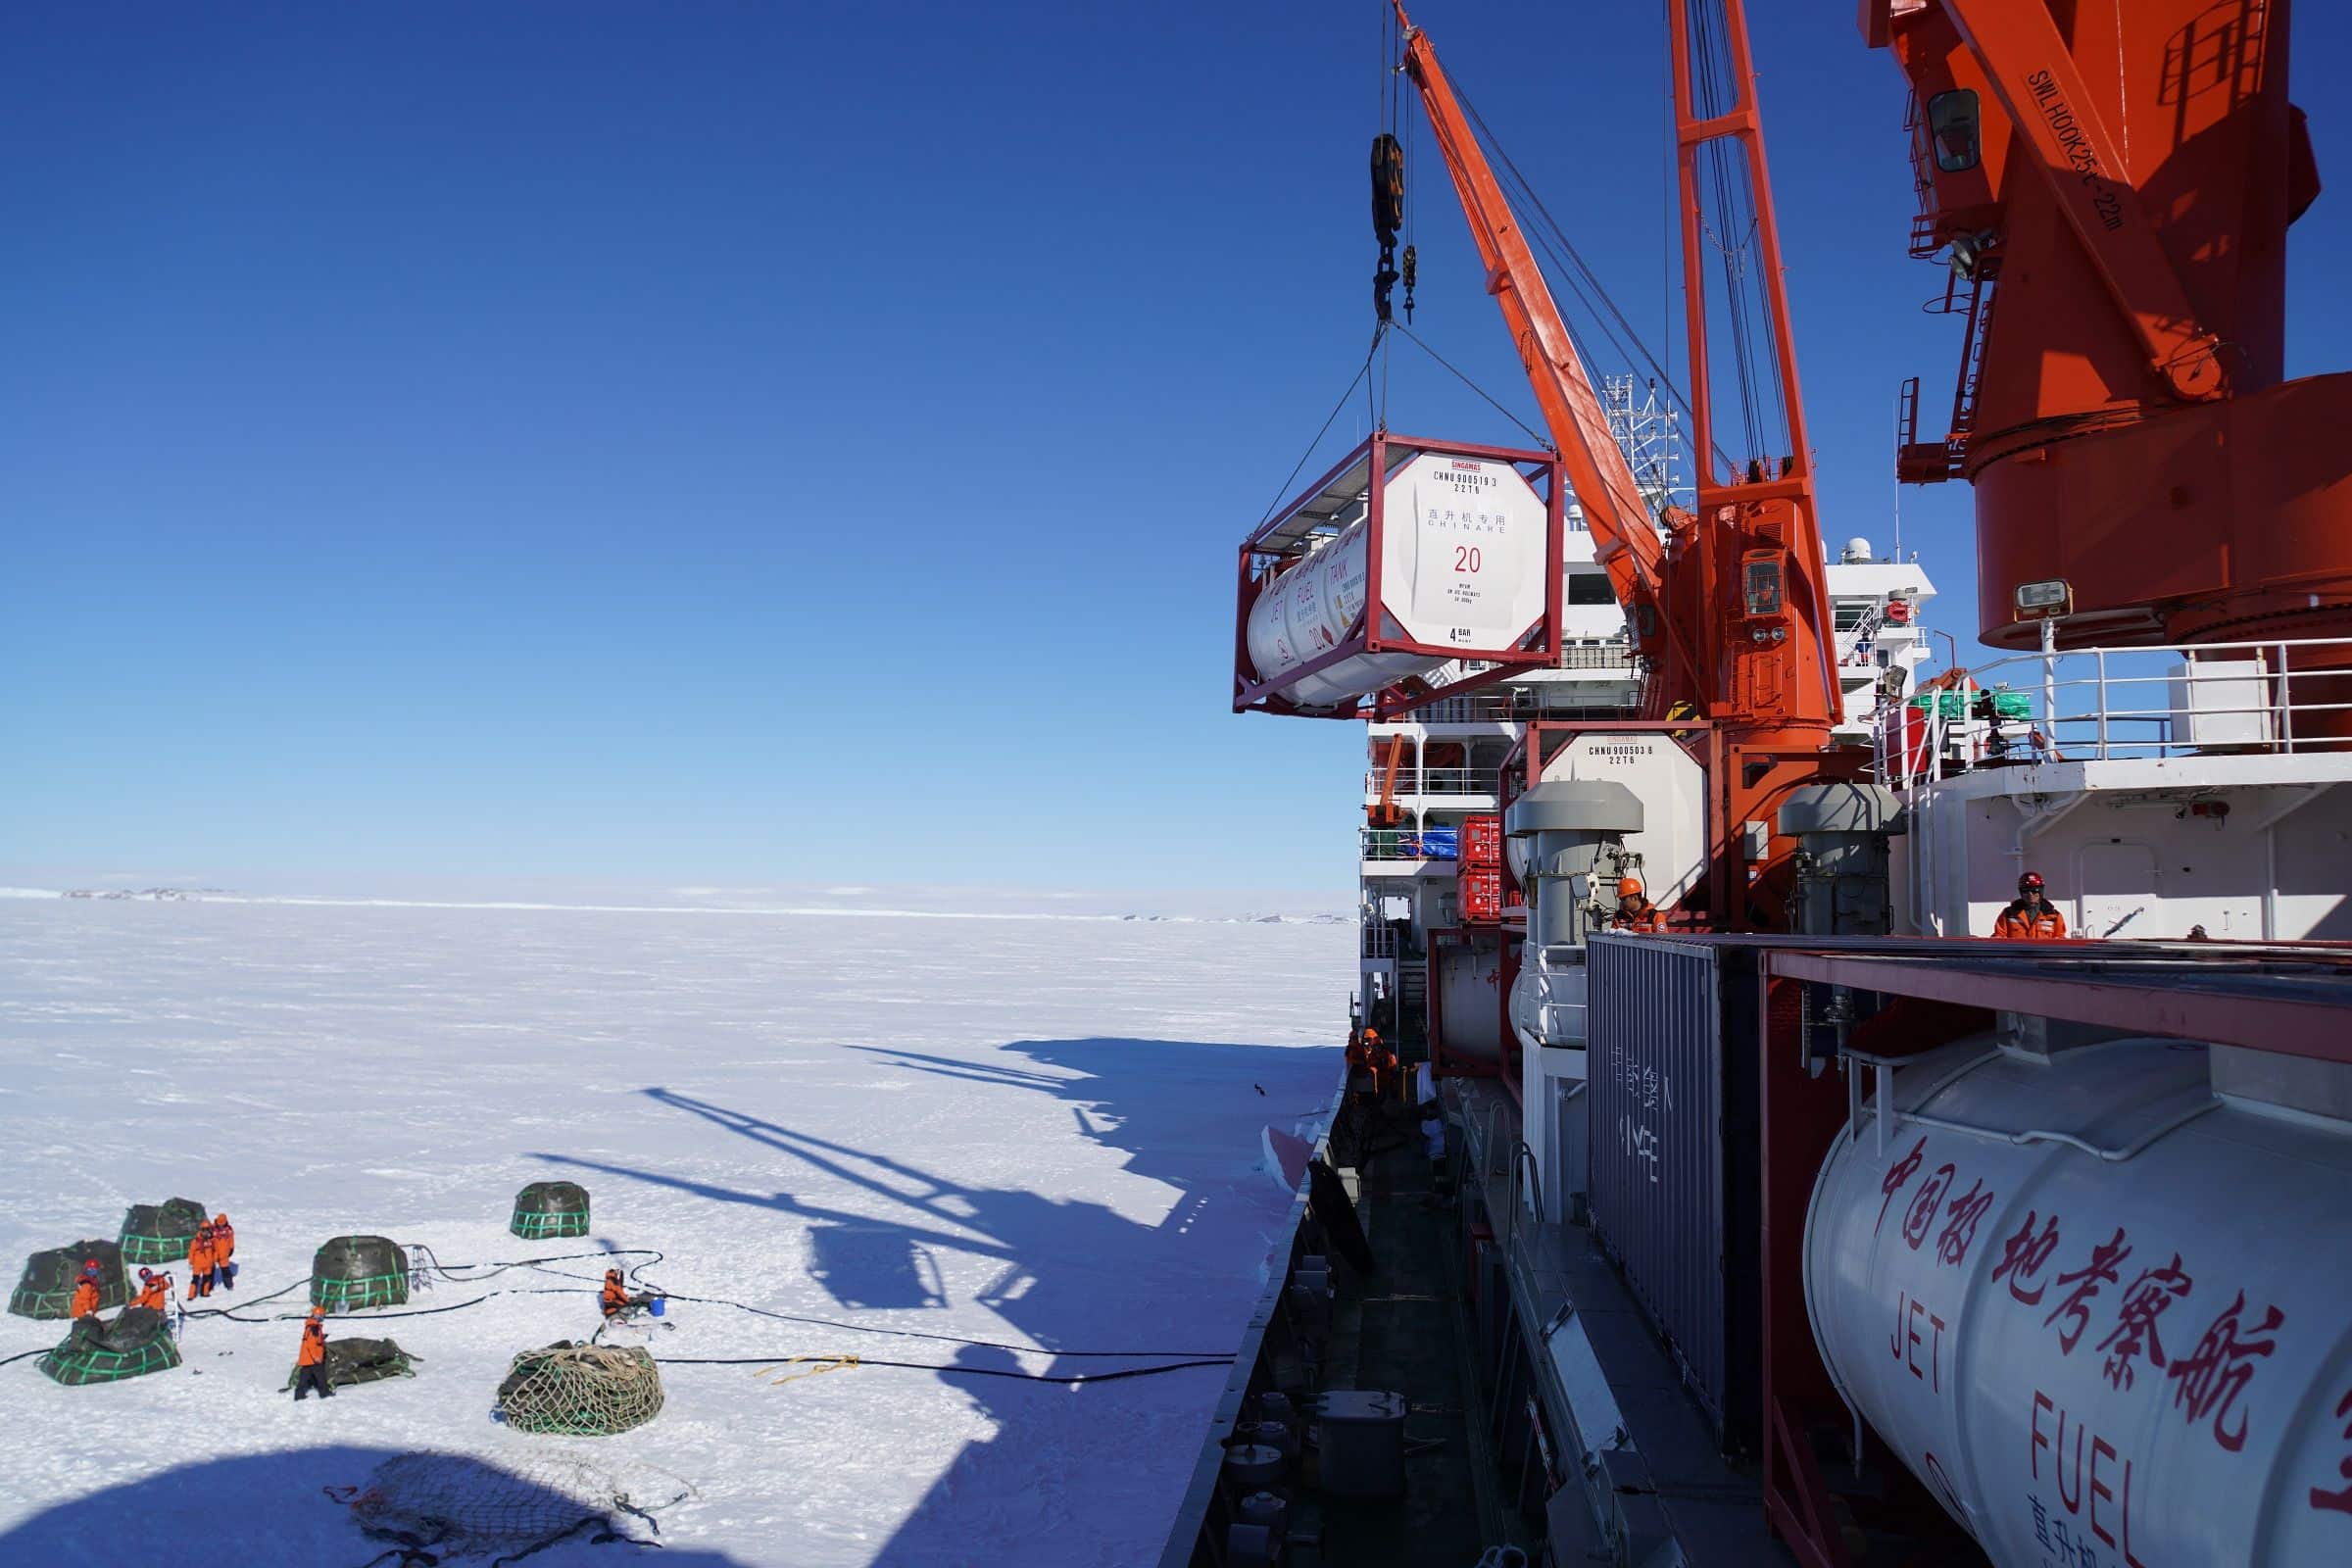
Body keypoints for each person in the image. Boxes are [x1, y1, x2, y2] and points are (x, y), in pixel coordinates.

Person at [1992, 872, 2069, 940]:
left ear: (2041, 892)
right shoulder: (2008, 914)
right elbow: (1999, 938)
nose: (2030, 894)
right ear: (2021, 893)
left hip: (2043, 955)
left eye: (2034, 890)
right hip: (2017, 955)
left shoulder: (2054, 916)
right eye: (2026, 891)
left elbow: (2060, 940)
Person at [293, 1307, 334, 1400]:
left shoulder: (311, 1326)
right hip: (313, 1358)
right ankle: (324, 1393)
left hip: (307, 1358)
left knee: (304, 1377)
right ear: (318, 1316)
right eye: (322, 1315)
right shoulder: (314, 1328)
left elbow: (312, 1340)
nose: (323, 1317)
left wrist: (322, 1337)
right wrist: (316, 1357)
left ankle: (299, 1395)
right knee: (321, 1376)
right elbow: (311, 1344)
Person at [185, 1222, 217, 1300]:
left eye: (208, 1229)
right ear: (201, 1230)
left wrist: (214, 1260)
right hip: (197, 1264)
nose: (206, 1231)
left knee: (207, 1279)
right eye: (204, 1229)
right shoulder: (196, 1241)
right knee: (195, 1279)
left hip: (208, 1264)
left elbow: (215, 1251)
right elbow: (191, 1252)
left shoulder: (212, 1240)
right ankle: (191, 1295)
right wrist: (190, 1262)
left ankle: (204, 1293)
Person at [211, 1213, 237, 1292]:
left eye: (223, 1223)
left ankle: (229, 1285)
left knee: (225, 1270)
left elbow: (231, 1240)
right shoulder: (211, 1229)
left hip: (224, 1254)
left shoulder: (229, 1230)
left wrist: (231, 1248)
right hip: (213, 1253)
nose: (221, 1225)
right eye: (220, 1223)